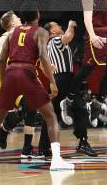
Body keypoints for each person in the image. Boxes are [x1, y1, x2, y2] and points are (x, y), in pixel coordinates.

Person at [0, 10, 74, 171]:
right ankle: (57, 160)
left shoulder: (12, 32)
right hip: (27, 73)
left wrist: (4, 81)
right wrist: (52, 82)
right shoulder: (41, 32)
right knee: (50, 116)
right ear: (37, 15)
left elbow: (2, 60)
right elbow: (43, 56)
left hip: (10, 73)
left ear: (22, 17)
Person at [38, 20, 96, 157]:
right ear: (52, 31)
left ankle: (43, 148)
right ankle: (83, 143)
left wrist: (50, 74)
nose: (60, 26)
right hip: (65, 80)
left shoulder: (47, 46)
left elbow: (41, 65)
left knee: (51, 116)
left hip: (56, 80)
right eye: (57, 25)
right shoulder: (57, 39)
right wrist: (70, 25)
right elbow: (68, 36)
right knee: (80, 108)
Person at [0, 10, 41, 160]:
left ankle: (26, 148)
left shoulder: (23, 35)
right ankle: (3, 131)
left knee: (30, 107)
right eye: (17, 18)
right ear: (12, 23)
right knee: (7, 118)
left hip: (17, 78)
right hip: (2, 79)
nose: (20, 18)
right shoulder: (7, 35)